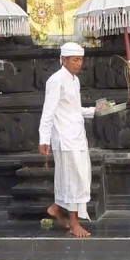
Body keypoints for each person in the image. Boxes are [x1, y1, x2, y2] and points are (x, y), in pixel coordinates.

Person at [38, 42, 96, 238]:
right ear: (64, 60)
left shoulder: (74, 80)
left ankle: (56, 208)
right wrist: (43, 138)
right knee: (73, 178)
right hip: (64, 137)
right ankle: (73, 223)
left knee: (81, 176)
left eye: (80, 60)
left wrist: (96, 111)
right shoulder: (56, 80)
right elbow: (49, 111)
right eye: (75, 60)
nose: (78, 64)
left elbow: (74, 109)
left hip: (77, 135)